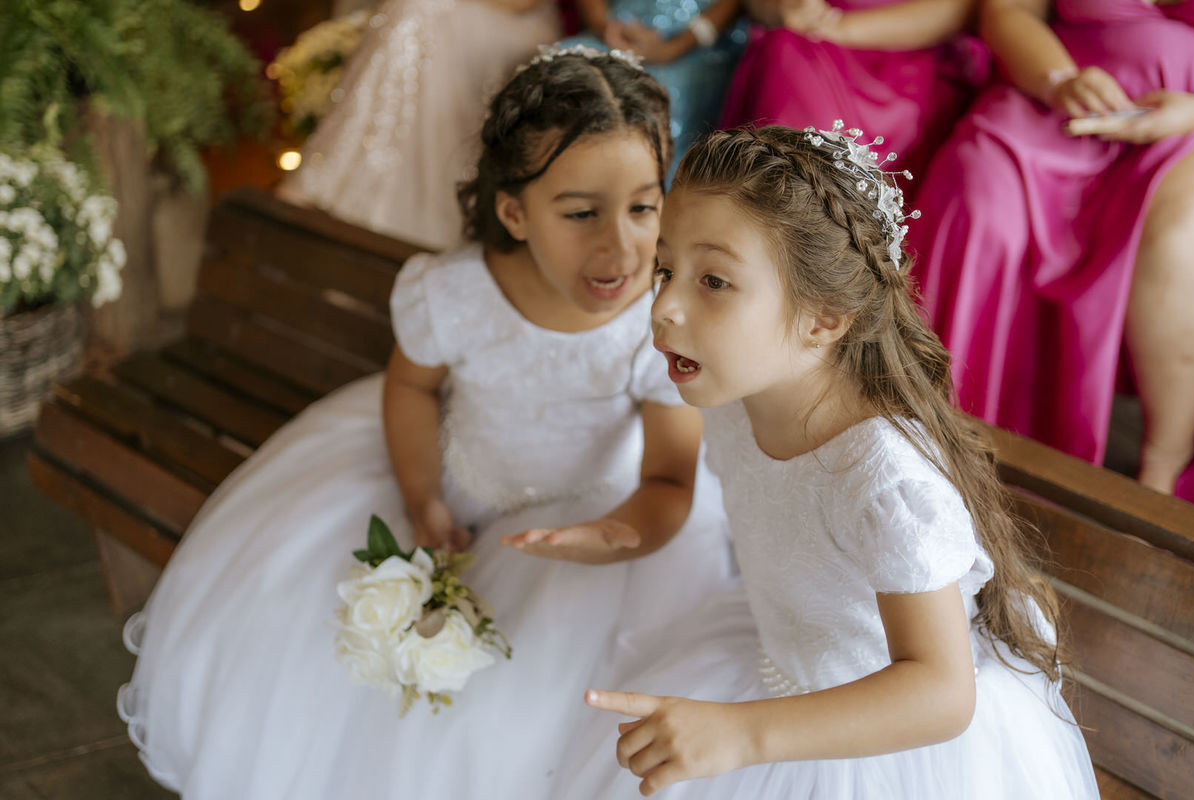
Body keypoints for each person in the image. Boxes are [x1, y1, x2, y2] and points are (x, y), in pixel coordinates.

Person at [118, 49, 734, 800]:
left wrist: (611, 535)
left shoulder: (655, 322)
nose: (621, 245)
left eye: (644, 207)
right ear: (514, 211)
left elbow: (670, 478)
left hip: (610, 519)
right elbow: (410, 388)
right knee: (314, 644)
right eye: (580, 213)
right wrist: (420, 498)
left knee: (525, 703)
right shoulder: (454, 292)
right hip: (458, 484)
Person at [551, 125, 1098, 798]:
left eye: (713, 280)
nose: (664, 305)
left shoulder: (883, 483)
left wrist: (741, 734)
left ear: (825, 317)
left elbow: (941, 692)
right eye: (666, 269)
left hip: (881, 742)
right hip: (771, 659)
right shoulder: (730, 397)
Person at [907, 0, 1194, 500]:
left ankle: (1161, 466)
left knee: (1175, 239)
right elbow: (1009, 10)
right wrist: (1058, 80)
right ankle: (927, 421)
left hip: (1186, 127)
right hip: (1055, 95)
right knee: (977, 198)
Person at [276, 0, 561, 250]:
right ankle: (362, 173)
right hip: (458, 12)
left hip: (514, 18)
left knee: (417, 12)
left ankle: (409, 205)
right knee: (410, 8)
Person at [720, 0, 986, 184]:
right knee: (786, 60)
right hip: (806, 38)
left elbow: (966, 8)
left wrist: (837, 27)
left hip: (912, 45)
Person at [563, 0, 747, 173]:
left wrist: (672, 48)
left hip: (693, 46)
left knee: (661, 104)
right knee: (563, 74)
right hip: (616, 32)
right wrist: (606, 28)